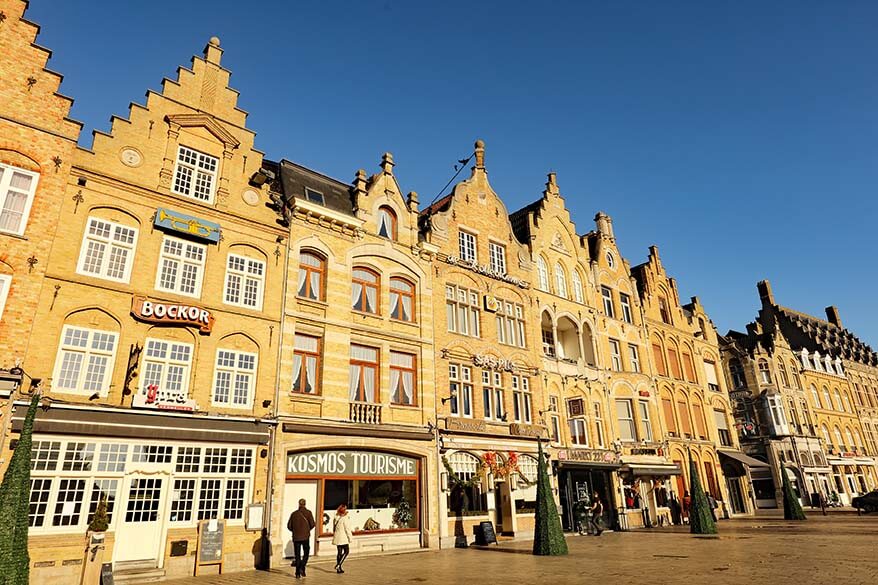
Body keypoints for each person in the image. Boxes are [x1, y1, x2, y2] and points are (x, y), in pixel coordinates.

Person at [288, 498, 316, 579]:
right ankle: (302, 566)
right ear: (305, 504)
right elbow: (312, 524)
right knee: (306, 553)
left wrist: (295, 531)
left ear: (299, 504)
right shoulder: (308, 513)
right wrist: (306, 530)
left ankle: (297, 573)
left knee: (297, 555)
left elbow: (289, 526)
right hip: (305, 537)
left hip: (296, 537)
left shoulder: (294, 514)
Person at [332, 505, 354, 574]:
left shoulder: (336, 517)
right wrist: (350, 538)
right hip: (343, 537)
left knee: (339, 552)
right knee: (346, 551)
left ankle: (339, 569)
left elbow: (334, 528)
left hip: (337, 537)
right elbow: (347, 529)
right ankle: (338, 565)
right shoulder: (345, 518)